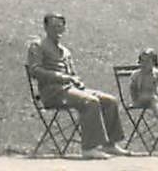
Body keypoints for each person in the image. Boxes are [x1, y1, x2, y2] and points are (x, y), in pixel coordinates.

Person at [26, 13, 130, 160]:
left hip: (71, 90)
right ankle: (89, 148)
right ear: (45, 27)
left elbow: (73, 74)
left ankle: (110, 144)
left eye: (60, 26)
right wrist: (61, 77)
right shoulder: (38, 46)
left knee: (109, 100)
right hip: (53, 92)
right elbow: (34, 70)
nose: (57, 30)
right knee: (90, 102)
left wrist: (76, 81)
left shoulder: (66, 51)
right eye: (53, 26)